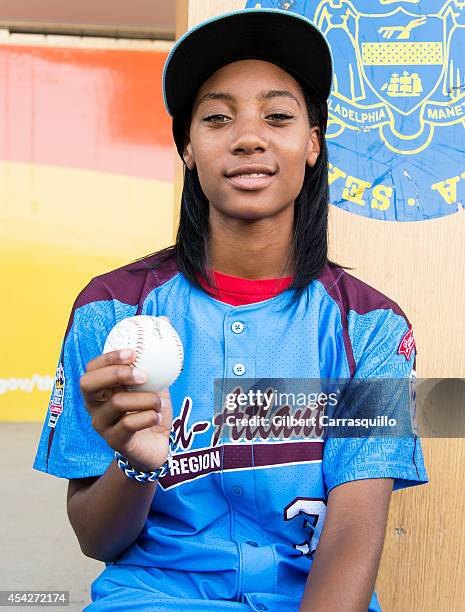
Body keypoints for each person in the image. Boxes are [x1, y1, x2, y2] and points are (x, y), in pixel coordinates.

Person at [33, 8, 428, 612]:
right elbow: (96, 537)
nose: (249, 136)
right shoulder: (110, 309)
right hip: (153, 598)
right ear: (188, 148)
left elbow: (353, 533)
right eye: (217, 118)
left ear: (312, 143)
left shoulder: (372, 327)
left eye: (278, 116)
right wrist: (137, 465)